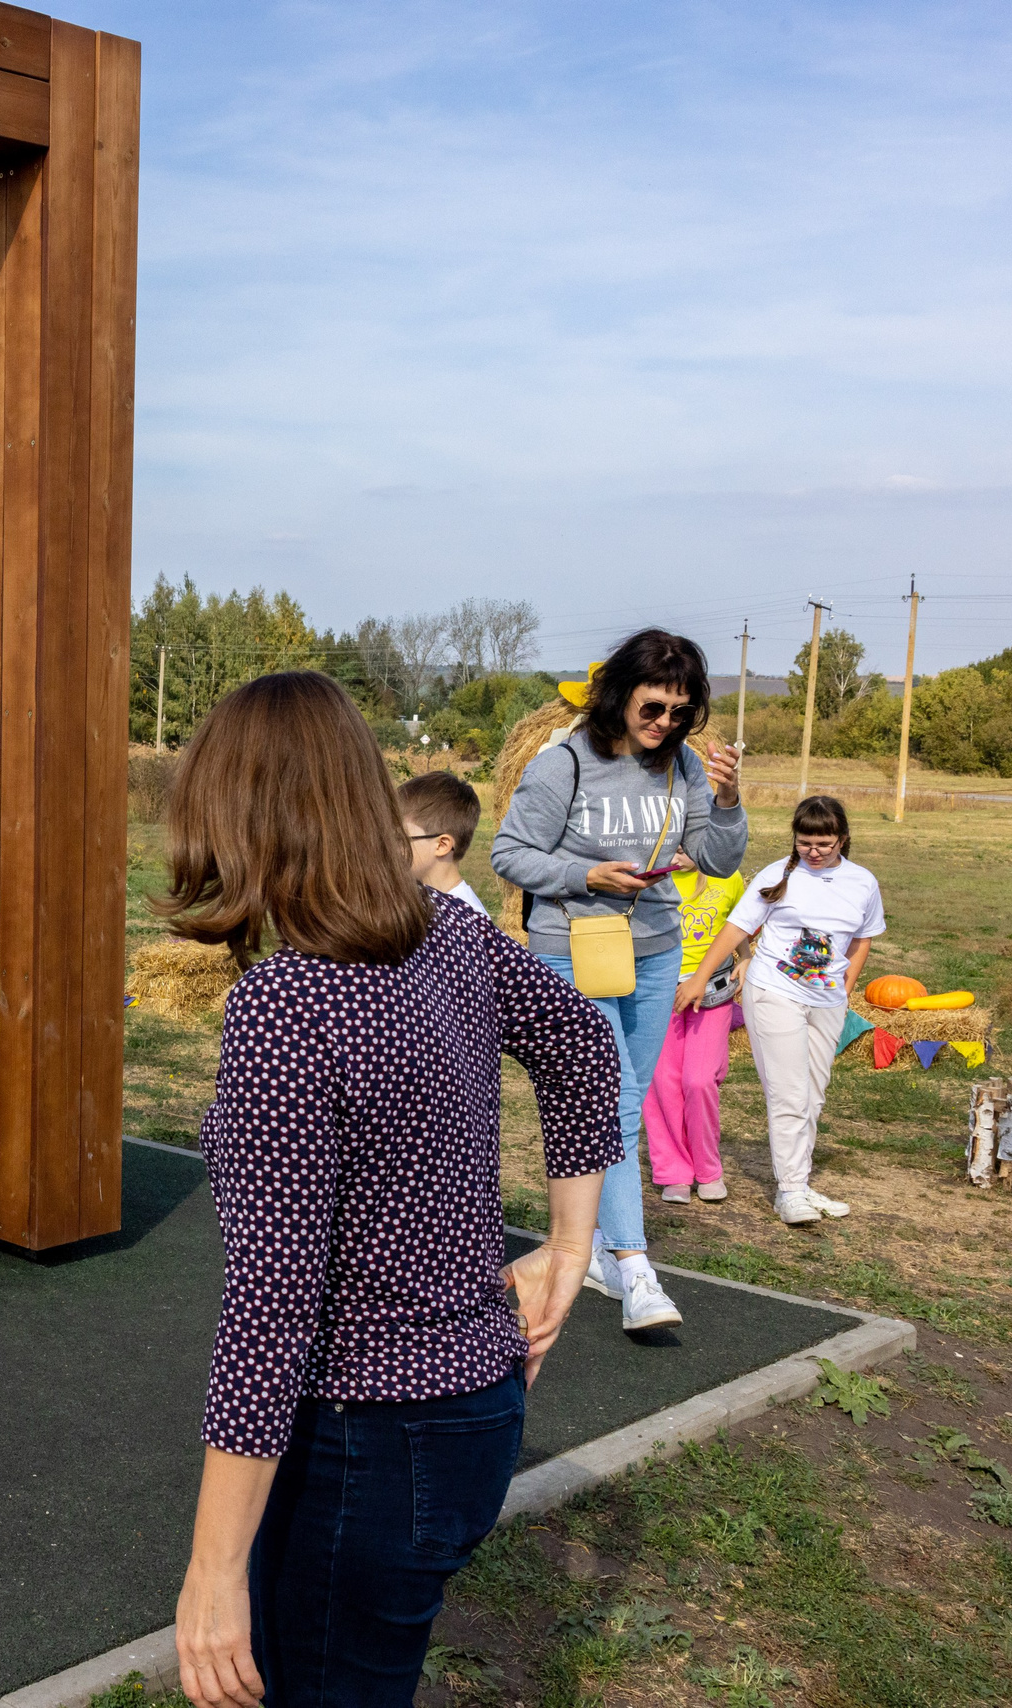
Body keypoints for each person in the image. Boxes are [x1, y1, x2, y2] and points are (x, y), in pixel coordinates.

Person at [161, 673, 620, 1708]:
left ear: (240, 812)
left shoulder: (286, 1001)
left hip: (369, 1436)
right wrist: (568, 1240)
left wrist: (212, 1569)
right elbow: (583, 1043)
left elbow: (271, 1307)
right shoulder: (441, 931)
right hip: (475, 1408)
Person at [490, 628, 747, 1333]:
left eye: (680, 713)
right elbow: (509, 853)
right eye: (654, 707)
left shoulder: (685, 767)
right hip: (573, 946)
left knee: (617, 1105)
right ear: (620, 695)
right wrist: (584, 875)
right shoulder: (563, 764)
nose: (666, 723)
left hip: (657, 947)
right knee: (616, 1095)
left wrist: (726, 801)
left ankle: (595, 1246)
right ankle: (635, 1268)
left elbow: (717, 860)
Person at [673, 796, 882, 1228]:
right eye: (805, 842)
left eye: (824, 842)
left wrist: (845, 989)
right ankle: (789, 1191)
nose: (815, 850)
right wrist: (700, 978)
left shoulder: (863, 882)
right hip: (773, 991)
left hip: (826, 1001)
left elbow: (862, 939)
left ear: (843, 838)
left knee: (813, 1094)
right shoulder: (777, 875)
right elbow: (736, 928)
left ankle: (801, 1183)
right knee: (789, 1094)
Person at [644, 859, 748, 1204]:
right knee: (662, 1082)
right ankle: (673, 1171)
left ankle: (708, 1169)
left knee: (699, 1079)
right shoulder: (649, 878)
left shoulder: (728, 876)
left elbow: (739, 923)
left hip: (714, 993)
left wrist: (745, 956)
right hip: (660, 992)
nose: (679, 853)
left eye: (688, 844)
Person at [396, 769, 490, 919]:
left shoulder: (467, 919)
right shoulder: (423, 900)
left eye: (399, 839)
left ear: (442, 845)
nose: (389, 849)